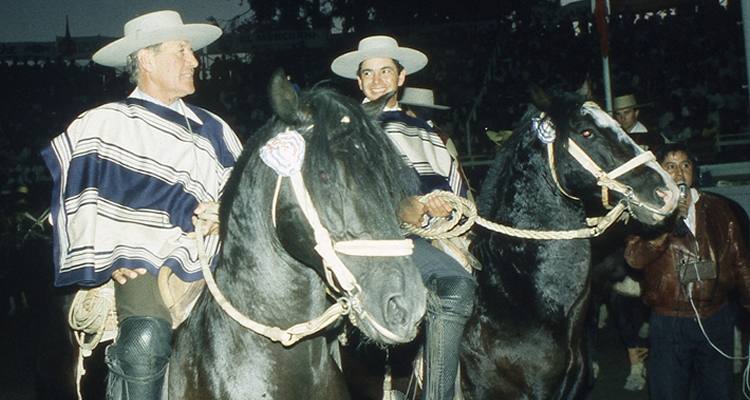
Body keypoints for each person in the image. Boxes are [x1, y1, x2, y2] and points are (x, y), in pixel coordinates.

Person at [41, 10, 243, 399]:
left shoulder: (214, 127)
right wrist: (107, 256)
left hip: (216, 251)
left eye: (191, 51)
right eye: (181, 51)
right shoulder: (103, 123)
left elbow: (242, 186)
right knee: (145, 337)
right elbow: (81, 201)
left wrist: (227, 210)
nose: (194, 60)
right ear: (146, 60)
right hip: (142, 256)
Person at [331, 35, 477, 400]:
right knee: (455, 285)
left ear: (401, 77)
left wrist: (451, 209)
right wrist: (403, 208)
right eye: (368, 73)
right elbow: (343, 194)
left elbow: (459, 192)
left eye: (385, 71)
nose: (377, 80)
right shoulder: (346, 128)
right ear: (359, 82)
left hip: (439, 237)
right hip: (383, 240)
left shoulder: (428, 134)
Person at [624, 142, 750, 400]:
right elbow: (634, 259)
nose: (679, 173)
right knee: (668, 393)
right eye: (670, 166)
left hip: (717, 318)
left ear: (694, 171)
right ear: (659, 171)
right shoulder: (646, 212)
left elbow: (741, 262)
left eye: (685, 165)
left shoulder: (719, 208)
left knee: (720, 393)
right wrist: (668, 222)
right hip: (669, 323)